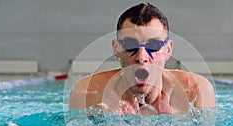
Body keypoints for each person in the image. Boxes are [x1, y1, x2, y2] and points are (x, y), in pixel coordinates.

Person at [69, 3, 215, 114]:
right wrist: (101, 125)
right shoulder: (87, 93)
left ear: (168, 50)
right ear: (116, 48)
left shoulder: (195, 91)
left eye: (154, 45)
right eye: (130, 44)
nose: (141, 57)